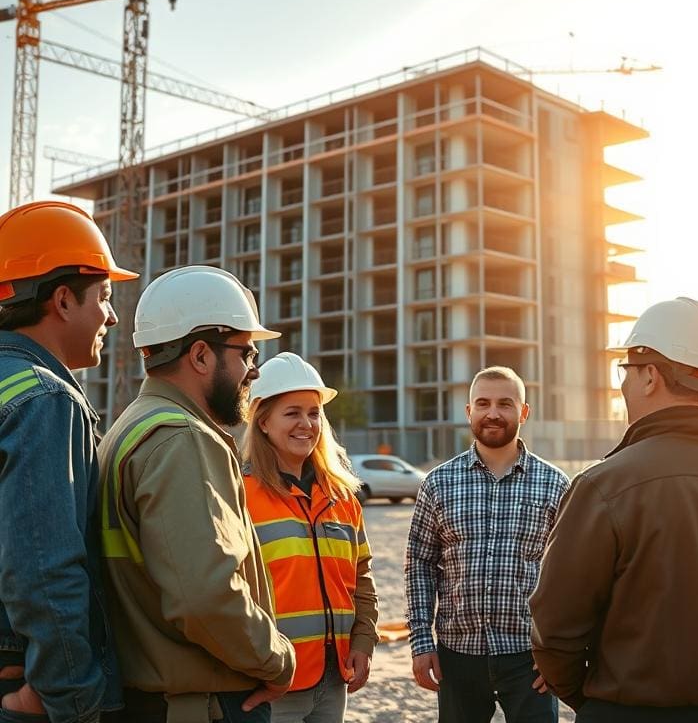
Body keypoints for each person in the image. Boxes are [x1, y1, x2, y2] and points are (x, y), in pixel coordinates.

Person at [530, 297, 698, 722]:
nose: (623, 385)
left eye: (626, 370)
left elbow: (554, 628)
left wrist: (595, 701)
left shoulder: (603, 486)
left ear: (650, 376)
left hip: (624, 712)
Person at [98, 265, 296, 723]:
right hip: (202, 704)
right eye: (247, 353)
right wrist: (276, 661)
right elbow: (205, 598)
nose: (254, 370)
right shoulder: (182, 439)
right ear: (202, 355)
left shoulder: (131, 427)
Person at [0, 200, 138, 722]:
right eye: (104, 297)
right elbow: (44, 567)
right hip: (24, 686)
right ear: (62, 300)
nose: (112, 316)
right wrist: (70, 696)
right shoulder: (44, 399)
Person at [404, 366, 570, 723]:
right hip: (457, 656)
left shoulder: (556, 485)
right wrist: (421, 642)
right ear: (469, 411)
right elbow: (419, 563)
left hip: (530, 659)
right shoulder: (438, 483)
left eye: (505, 404)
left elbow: (573, 575)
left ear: (524, 412)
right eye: (483, 403)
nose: (493, 413)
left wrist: (562, 652)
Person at [243, 352, 378, 723]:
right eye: (292, 413)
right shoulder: (240, 495)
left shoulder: (343, 497)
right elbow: (227, 593)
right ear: (263, 421)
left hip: (334, 679)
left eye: (314, 413)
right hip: (273, 683)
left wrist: (363, 641)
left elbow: (361, 579)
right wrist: (259, 666)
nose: (306, 424)